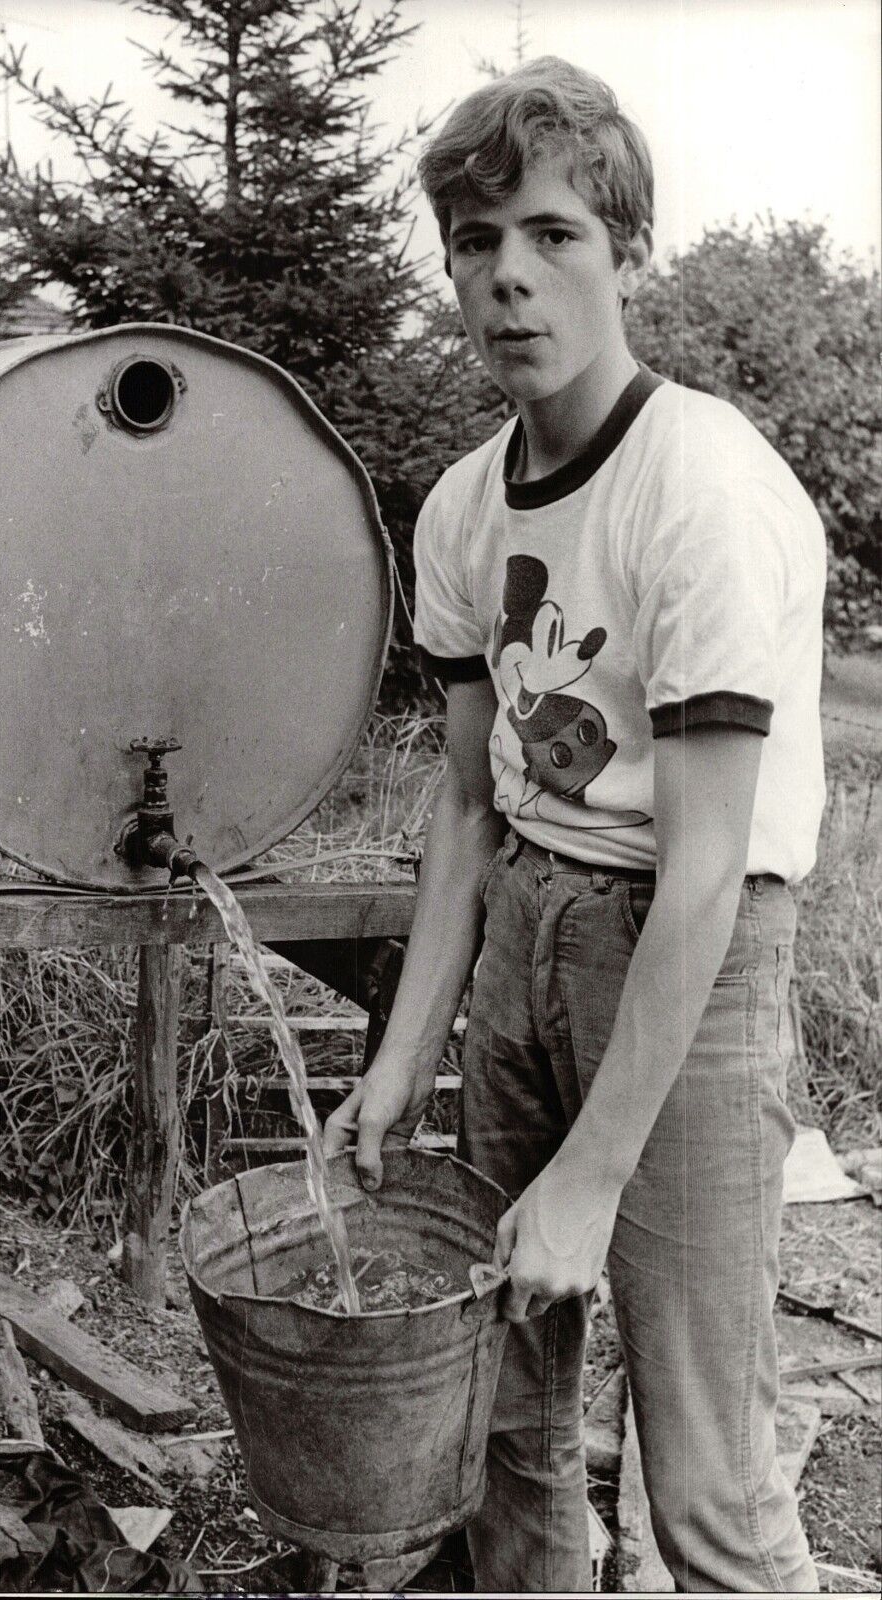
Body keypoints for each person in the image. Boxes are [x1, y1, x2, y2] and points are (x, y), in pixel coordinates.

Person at [323, 56, 825, 1594]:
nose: (507, 280)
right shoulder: (464, 507)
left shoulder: (701, 490)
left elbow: (698, 869)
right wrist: (401, 1057)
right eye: (474, 244)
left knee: (708, 1469)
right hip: (528, 930)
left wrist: (593, 1175)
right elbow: (470, 807)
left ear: (630, 255)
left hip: (691, 955)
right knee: (508, 1427)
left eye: (550, 235)